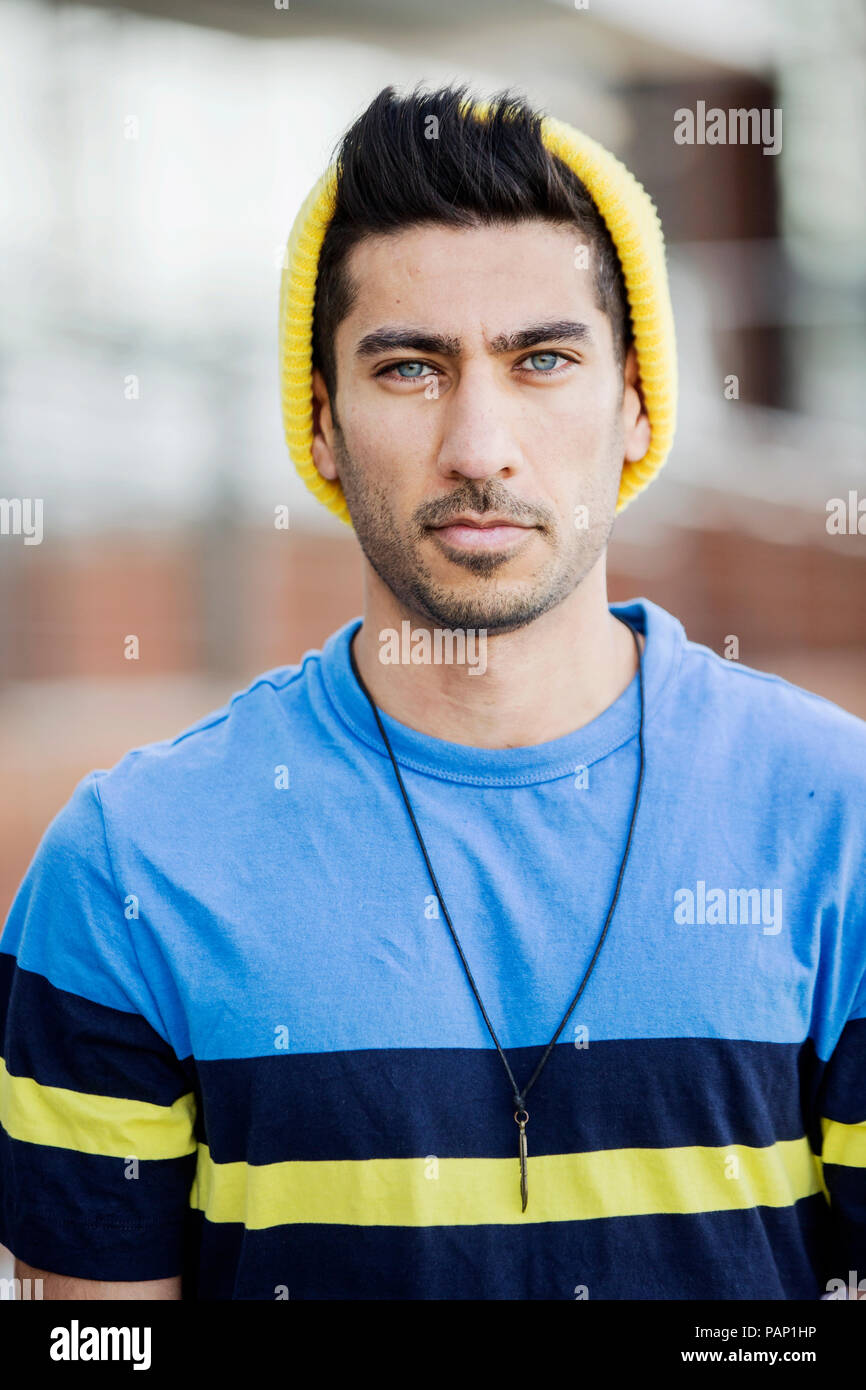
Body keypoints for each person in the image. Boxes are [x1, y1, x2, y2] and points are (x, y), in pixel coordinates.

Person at [1, 85, 864, 1301]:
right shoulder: (128, 868)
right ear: (321, 426)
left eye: (543, 360)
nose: (478, 445)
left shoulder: (837, 823)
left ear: (632, 403)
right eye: (410, 367)